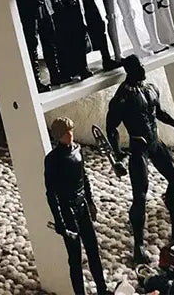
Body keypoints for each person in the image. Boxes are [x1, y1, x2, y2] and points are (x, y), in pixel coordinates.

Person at [106, 55, 174, 265]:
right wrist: (117, 151)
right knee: (140, 196)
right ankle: (139, 245)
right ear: (130, 70)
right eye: (138, 67)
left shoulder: (150, 88)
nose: (143, 69)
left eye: (142, 65)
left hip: (155, 143)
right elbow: (111, 127)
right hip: (139, 148)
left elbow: (159, 113)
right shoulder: (123, 96)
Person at [44, 117, 110, 295]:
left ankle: (102, 289)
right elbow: (51, 193)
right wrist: (59, 221)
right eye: (66, 133)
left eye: (71, 130)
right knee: (75, 258)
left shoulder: (78, 149)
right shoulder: (52, 159)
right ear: (59, 136)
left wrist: (90, 201)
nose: (70, 134)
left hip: (82, 206)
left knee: (93, 250)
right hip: (67, 210)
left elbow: (85, 177)